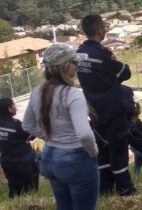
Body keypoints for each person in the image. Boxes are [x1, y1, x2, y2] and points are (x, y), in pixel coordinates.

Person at [22, 43, 99, 210]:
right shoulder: (72, 94)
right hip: (75, 159)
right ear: (66, 66)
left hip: (49, 157)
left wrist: (49, 137)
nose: (77, 67)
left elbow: (27, 124)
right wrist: (93, 152)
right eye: (75, 63)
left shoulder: (37, 91)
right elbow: (85, 134)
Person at [76, 14, 135, 196]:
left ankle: (105, 187)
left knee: (102, 150)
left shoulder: (79, 53)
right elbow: (125, 72)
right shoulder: (102, 54)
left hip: (93, 110)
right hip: (112, 107)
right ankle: (125, 188)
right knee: (118, 149)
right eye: (104, 27)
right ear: (100, 30)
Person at [0, 98, 38, 198]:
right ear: (9, 109)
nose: (15, 107)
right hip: (23, 163)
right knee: (30, 192)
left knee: (14, 190)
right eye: (14, 105)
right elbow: (32, 135)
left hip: (7, 163)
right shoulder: (16, 125)